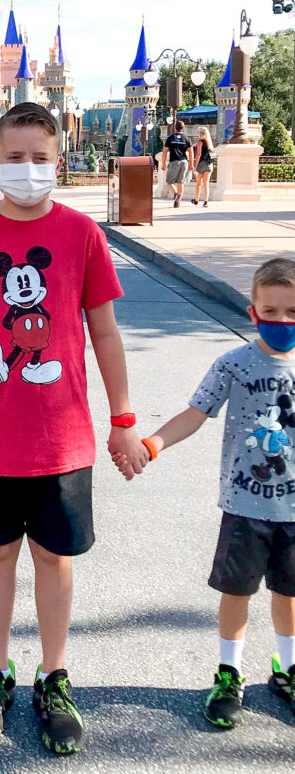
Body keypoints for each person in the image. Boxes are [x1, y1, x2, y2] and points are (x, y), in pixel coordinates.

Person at [0, 102, 147, 753]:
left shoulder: (81, 233)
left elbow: (104, 332)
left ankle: (54, 676)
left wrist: (124, 420)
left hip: (61, 441)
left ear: (58, 160)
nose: (28, 169)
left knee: (53, 559)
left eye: (40, 158)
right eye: (15, 157)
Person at [114, 257, 295, 730]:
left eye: (291, 311)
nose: (281, 321)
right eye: (271, 311)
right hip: (245, 505)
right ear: (253, 313)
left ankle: (287, 668)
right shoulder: (233, 363)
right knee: (237, 591)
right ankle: (229, 673)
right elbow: (194, 414)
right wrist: (151, 445)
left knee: (290, 592)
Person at [160, 120, 193, 207]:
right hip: (184, 162)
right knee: (181, 182)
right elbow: (191, 152)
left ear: (175, 128)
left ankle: (176, 194)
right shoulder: (186, 138)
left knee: (169, 181)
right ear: (183, 128)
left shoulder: (170, 138)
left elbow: (164, 151)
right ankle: (178, 202)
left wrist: (163, 163)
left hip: (174, 162)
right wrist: (191, 164)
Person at [192, 126, 215, 208]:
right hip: (209, 164)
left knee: (198, 184)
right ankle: (206, 201)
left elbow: (198, 155)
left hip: (201, 164)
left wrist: (195, 166)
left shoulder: (200, 142)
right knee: (206, 183)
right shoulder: (210, 143)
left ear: (200, 133)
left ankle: (196, 200)